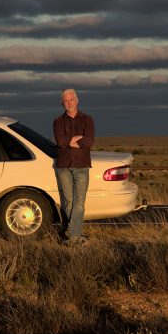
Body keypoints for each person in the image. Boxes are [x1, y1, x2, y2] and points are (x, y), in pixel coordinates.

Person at [53, 88, 94, 246]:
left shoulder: (87, 120)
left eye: (71, 100)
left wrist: (69, 141)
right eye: (66, 101)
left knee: (79, 202)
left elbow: (88, 141)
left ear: (77, 100)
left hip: (82, 165)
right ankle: (76, 236)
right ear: (62, 103)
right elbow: (60, 141)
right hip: (63, 165)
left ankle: (72, 234)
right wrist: (76, 140)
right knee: (68, 202)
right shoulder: (58, 121)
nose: (69, 103)